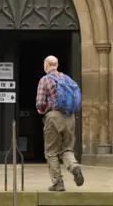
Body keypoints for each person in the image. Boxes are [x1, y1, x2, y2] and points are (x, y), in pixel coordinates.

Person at [35, 55, 84, 191]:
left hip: (54, 117)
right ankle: (74, 166)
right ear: (57, 65)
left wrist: (42, 110)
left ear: (46, 65)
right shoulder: (68, 79)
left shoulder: (45, 80)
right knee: (67, 149)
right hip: (70, 117)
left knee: (51, 152)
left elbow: (40, 103)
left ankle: (58, 183)